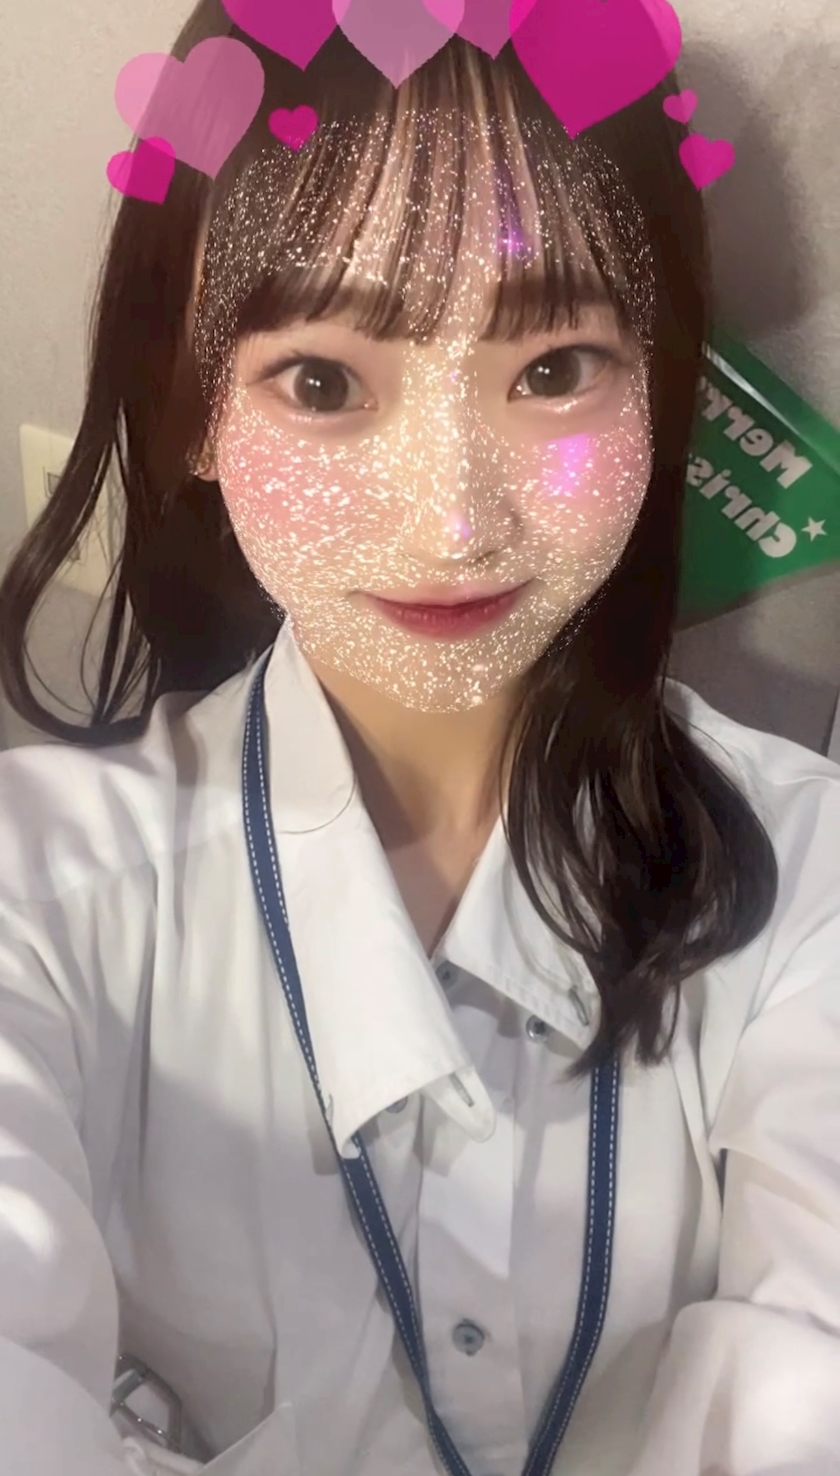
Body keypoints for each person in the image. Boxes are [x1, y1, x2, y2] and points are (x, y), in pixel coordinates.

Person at [0, 4, 838, 1474]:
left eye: (555, 368)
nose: (452, 524)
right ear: (191, 410)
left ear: (660, 383)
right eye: (323, 382)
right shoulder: (35, 897)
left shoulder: (806, 872)